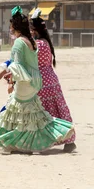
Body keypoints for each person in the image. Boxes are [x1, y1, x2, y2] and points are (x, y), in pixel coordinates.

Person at [0, 6, 74, 153]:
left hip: (30, 81)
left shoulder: (23, 42)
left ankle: (21, 144)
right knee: (38, 114)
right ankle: (62, 137)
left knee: (22, 114)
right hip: (45, 78)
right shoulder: (39, 42)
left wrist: (6, 75)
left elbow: (18, 64)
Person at [30, 9, 77, 152]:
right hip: (52, 78)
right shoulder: (46, 42)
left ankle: (43, 141)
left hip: (41, 80)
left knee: (43, 112)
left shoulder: (36, 44)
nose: (30, 32)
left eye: (31, 29)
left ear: (35, 30)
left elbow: (31, 62)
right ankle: (69, 141)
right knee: (58, 109)